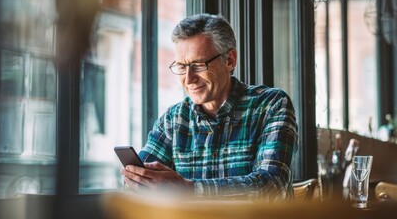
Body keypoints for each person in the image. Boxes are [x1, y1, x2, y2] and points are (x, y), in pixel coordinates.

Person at [120, 13, 298, 199]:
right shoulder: (174, 119)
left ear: (230, 60)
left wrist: (189, 190)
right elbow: (137, 185)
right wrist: (137, 180)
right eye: (181, 67)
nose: (188, 79)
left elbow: (271, 185)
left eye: (198, 65)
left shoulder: (272, 105)